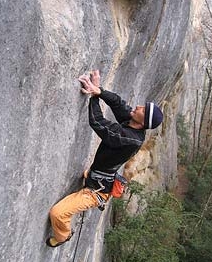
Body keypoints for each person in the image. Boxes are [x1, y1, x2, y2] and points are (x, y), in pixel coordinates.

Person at [46, 70, 163, 248]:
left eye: (143, 109)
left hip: (96, 191)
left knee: (57, 213)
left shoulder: (129, 138)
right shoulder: (133, 121)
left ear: (143, 121)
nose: (139, 106)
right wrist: (99, 89)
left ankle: (63, 236)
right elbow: (117, 103)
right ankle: (89, 181)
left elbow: (98, 123)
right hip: (97, 177)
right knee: (87, 175)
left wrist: (93, 96)